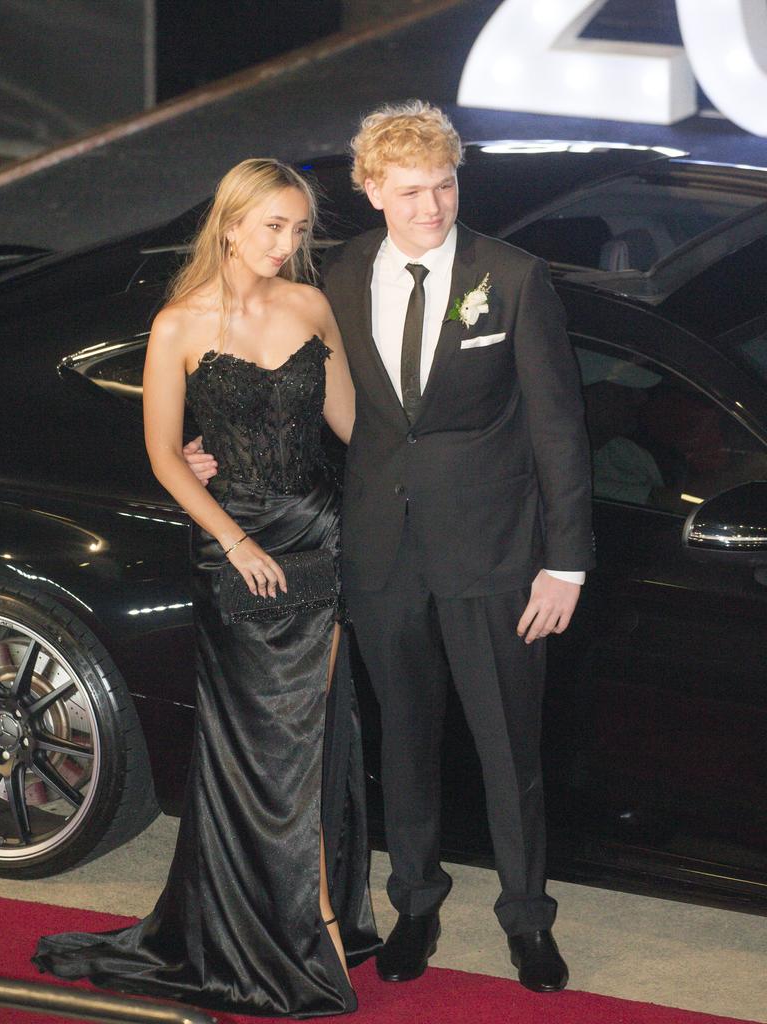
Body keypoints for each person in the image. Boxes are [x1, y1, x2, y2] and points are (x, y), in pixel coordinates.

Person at [186, 103, 594, 994]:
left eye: (444, 186)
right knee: (405, 740)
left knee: (506, 748)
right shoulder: (338, 275)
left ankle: (527, 919)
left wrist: (565, 562)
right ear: (372, 191)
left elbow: (560, 431)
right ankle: (416, 903)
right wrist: (201, 444)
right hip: (379, 552)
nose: (433, 207)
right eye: (411, 191)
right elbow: (286, 384)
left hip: (494, 556)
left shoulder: (513, 278)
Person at [33, 158, 379, 1018]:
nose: (288, 244)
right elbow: (162, 455)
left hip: (320, 539)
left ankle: (319, 913)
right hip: (235, 550)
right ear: (230, 224)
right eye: (273, 227)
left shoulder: (309, 307)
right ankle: (280, 921)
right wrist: (232, 537)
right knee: (253, 745)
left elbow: (355, 429)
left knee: (316, 737)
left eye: (299, 230)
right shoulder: (178, 323)